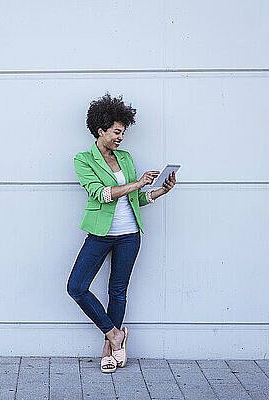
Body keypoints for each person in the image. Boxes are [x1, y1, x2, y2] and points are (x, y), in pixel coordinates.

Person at [66, 93, 176, 373]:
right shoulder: (84, 160)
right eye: (117, 132)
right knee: (76, 287)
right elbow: (101, 194)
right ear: (101, 130)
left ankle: (108, 349)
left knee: (117, 290)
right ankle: (116, 334)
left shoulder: (125, 158)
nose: (121, 138)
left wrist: (159, 191)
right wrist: (137, 183)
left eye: (123, 132)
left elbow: (134, 199)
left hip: (130, 235)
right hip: (100, 234)